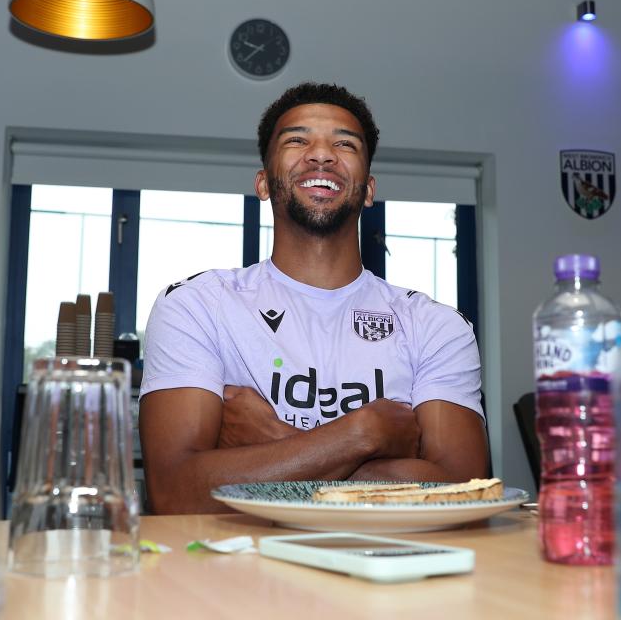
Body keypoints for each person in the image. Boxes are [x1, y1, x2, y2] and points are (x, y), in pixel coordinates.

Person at [139, 82, 489, 514]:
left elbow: (464, 494)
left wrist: (279, 446)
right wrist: (366, 434)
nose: (321, 154)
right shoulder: (197, 306)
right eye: (297, 141)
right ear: (263, 184)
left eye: (345, 144)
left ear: (368, 190)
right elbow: (174, 493)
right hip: (236, 559)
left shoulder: (437, 327)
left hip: (390, 558)